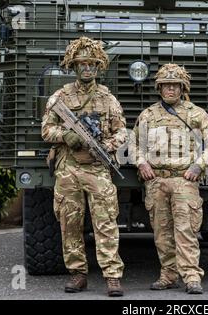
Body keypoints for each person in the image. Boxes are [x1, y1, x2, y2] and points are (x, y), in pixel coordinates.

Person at [41, 36, 126, 297]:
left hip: (98, 168)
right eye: (82, 64)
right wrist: (65, 136)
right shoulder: (61, 96)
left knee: (105, 223)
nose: (86, 69)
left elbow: (122, 131)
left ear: (98, 67)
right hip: (68, 168)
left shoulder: (108, 99)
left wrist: (106, 146)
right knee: (70, 222)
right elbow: (46, 129)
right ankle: (78, 274)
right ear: (74, 67)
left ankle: (112, 276)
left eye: (91, 64)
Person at [131, 63, 208, 294]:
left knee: (186, 231)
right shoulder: (148, 115)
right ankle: (168, 275)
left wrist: (199, 165)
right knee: (162, 233)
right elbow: (133, 144)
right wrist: (141, 162)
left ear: (183, 88)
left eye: (175, 86)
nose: (170, 90)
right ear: (159, 89)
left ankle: (191, 277)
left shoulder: (196, 114)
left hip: (184, 180)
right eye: (166, 86)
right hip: (157, 182)